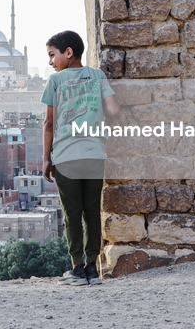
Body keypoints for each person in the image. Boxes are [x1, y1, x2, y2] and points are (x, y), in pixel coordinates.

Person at [41, 30, 120, 286]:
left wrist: (46, 158)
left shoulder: (55, 81)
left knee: (72, 213)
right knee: (92, 211)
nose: (51, 62)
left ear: (68, 53)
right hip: (94, 154)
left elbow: (48, 124)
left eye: (52, 55)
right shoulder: (97, 76)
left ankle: (76, 269)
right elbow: (113, 110)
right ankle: (92, 270)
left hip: (66, 156)